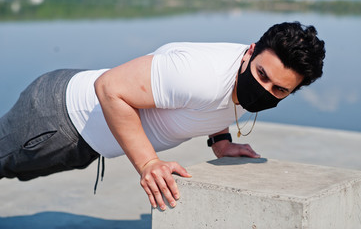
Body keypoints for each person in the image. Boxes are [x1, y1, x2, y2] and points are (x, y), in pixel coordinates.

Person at [0, 21, 325, 211]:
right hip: (58, 119)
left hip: (87, 138)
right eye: (261, 75)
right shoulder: (200, 74)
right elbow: (110, 88)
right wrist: (148, 164)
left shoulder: (243, 72)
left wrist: (221, 140)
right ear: (250, 53)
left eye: (279, 90)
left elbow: (216, 103)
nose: (265, 89)